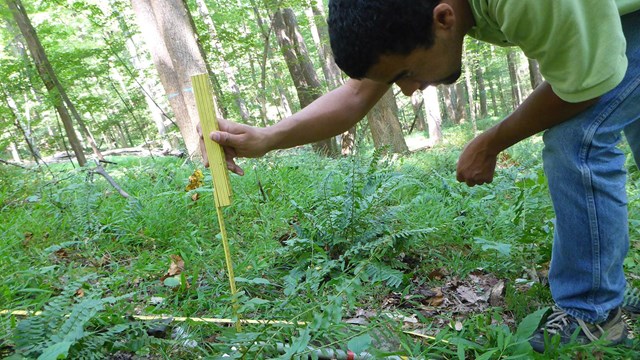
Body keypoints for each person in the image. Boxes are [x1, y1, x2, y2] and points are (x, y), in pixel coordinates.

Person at [200, 0, 640, 352]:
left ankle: (593, 313)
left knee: (575, 139)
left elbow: (584, 85)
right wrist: (268, 137)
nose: (408, 91)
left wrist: (490, 142)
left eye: (406, 73)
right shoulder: (404, 14)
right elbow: (356, 94)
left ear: (444, 18)